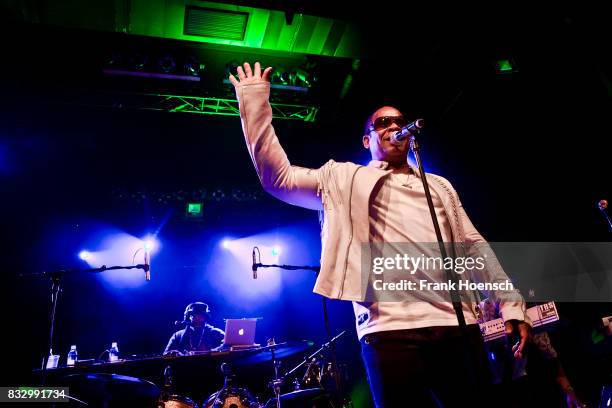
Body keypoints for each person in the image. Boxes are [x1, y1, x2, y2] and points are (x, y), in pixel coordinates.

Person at [229, 62, 531, 407]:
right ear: (367, 139)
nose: (394, 127)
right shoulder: (343, 180)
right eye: (383, 123)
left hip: (454, 325)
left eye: (400, 122)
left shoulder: (439, 187)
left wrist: (511, 307)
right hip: (388, 330)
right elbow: (277, 178)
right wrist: (254, 101)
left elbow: (474, 247)